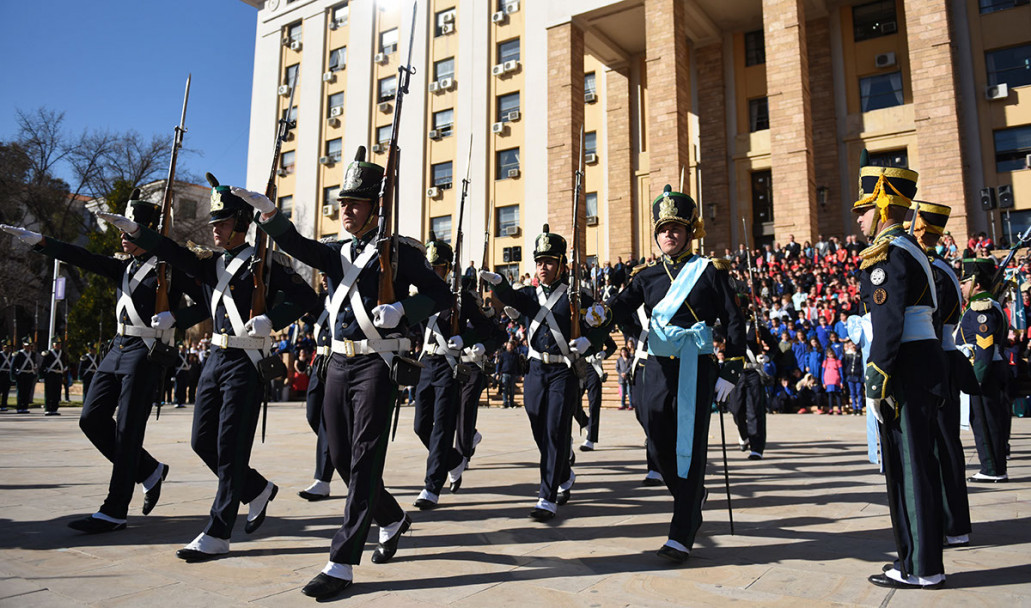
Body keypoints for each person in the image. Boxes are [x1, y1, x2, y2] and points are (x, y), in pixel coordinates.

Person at [235, 147, 450, 600]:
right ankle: (391, 517)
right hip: (336, 363)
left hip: (376, 362)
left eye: (355, 203)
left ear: (377, 206)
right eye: (342, 203)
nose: (345, 210)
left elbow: (441, 294)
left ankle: (341, 561)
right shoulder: (335, 254)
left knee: (366, 455)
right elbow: (296, 244)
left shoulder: (400, 251)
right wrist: (271, 216)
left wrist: (403, 308)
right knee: (340, 456)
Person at [102, 176, 317, 557]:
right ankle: (257, 489)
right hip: (216, 359)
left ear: (239, 224)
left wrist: (273, 318)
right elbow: (169, 250)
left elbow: (306, 297)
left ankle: (218, 531)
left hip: (246, 360)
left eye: (221, 222)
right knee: (202, 441)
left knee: (231, 447)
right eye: (213, 223)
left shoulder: (264, 263)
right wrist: (139, 231)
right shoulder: (208, 264)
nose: (214, 229)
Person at [3, 190, 207, 533]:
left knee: (128, 431)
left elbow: (206, 302)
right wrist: (41, 242)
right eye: (122, 231)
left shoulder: (173, 269)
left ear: (149, 233)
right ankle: (149, 470)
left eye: (131, 231)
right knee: (91, 418)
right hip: (117, 347)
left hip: (147, 350)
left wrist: (177, 318)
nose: (123, 238)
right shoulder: (123, 267)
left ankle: (114, 510)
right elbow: (81, 257)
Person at [606, 185, 746, 563]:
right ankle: (691, 492)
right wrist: (637, 335)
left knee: (690, 445)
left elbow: (735, 320)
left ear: (689, 232)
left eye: (677, 228)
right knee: (653, 429)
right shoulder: (646, 275)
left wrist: (730, 370)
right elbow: (620, 309)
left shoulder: (709, 271)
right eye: (664, 229)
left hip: (696, 367)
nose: (669, 234)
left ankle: (682, 531)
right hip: (655, 366)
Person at [852, 154, 946, 589]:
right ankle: (916, 560)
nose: (859, 219)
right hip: (920, 359)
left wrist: (878, 375)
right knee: (917, 463)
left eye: (865, 209)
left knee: (909, 466)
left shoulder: (887, 252)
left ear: (885, 206)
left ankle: (921, 567)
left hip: (903, 365)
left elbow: (889, 324)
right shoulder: (911, 249)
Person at [480, 224, 609, 522]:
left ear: (562, 265)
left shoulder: (577, 297)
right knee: (539, 425)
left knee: (554, 431)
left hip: (563, 371)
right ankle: (563, 472)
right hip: (535, 369)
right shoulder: (529, 294)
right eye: (539, 262)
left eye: (549, 262)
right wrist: (499, 284)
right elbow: (511, 299)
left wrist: (591, 341)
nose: (543, 267)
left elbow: (603, 325)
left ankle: (546, 496)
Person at [411, 234, 499, 508]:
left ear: (448, 269)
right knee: (421, 426)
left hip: (450, 367)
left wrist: (467, 340)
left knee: (441, 429)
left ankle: (431, 486)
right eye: (429, 267)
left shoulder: (460, 299)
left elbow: (490, 332)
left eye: (438, 267)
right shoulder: (419, 297)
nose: (433, 272)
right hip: (426, 364)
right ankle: (453, 460)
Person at [908, 202, 972, 547]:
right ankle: (954, 522)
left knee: (942, 445)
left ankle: (951, 522)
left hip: (936, 360)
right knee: (945, 444)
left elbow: (929, 321)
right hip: (944, 356)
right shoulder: (942, 268)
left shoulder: (933, 271)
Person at [957, 257, 1010, 483]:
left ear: (977, 283)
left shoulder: (981, 307)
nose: (961, 286)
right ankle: (993, 466)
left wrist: (976, 379)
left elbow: (985, 346)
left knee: (986, 423)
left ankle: (992, 469)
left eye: (965, 282)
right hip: (990, 370)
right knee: (986, 421)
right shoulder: (985, 304)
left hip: (984, 372)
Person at [727, 313, 777, 459]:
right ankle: (744, 435)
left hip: (753, 371)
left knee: (754, 410)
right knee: (736, 409)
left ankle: (756, 448)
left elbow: (774, 346)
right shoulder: (730, 325)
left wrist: (767, 357)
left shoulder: (756, 328)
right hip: (736, 371)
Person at [579, 335, 617, 451]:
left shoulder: (598, 328)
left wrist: (605, 353)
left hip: (594, 367)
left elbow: (612, 346)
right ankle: (586, 423)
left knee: (594, 402)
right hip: (578, 366)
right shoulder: (577, 326)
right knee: (572, 401)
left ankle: (591, 439)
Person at [40, 339, 68, 416]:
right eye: (56, 344)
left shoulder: (62, 353)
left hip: (58, 375)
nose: (58, 346)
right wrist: (41, 376)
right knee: (49, 392)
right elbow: (43, 365)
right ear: (53, 345)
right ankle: (48, 409)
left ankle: (54, 409)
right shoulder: (48, 353)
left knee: (57, 392)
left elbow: (65, 363)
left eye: (59, 344)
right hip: (50, 374)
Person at [10, 338, 38, 414]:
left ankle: (25, 407)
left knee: (27, 392)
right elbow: (13, 366)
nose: (28, 347)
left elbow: (34, 364)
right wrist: (13, 376)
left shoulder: (32, 354)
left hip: (29, 374)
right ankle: (19, 407)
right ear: (23, 346)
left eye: (29, 346)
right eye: (27, 346)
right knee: (20, 392)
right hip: (21, 375)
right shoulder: (18, 354)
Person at [497, 340, 522, 408]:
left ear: (513, 346)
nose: (510, 347)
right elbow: (500, 364)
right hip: (505, 373)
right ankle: (505, 402)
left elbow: (518, 365)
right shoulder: (503, 354)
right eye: (508, 345)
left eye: (511, 346)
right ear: (506, 346)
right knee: (504, 389)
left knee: (512, 390)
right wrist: (497, 373)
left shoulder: (516, 355)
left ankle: (511, 403)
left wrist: (520, 374)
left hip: (513, 374)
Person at [821, 348, 843, 415]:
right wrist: (823, 382)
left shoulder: (838, 361)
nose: (831, 355)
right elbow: (823, 372)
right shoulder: (825, 362)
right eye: (829, 354)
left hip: (836, 380)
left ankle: (839, 409)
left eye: (832, 353)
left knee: (837, 395)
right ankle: (831, 409)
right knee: (830, 396)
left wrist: (841, 381)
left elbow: (841, 372)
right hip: (828, 381)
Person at [0, 341, 12, 411]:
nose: (7, 349)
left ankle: (4, 405)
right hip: (1, 374)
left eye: (9, 347)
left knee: (6, 391)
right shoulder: (0, 355)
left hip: (7, 375)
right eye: (6, 347)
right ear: (3, 347)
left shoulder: (12, 355)